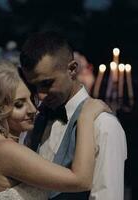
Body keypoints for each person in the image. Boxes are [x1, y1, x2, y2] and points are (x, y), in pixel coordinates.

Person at [0, 61, 111, 200]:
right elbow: (81, 180)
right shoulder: (3, 150)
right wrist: (86, 117)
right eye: (19, 104)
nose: (33, 109)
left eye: (31, 99)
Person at [19, 32, 127, 199]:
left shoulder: (103, 124)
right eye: (33, 87)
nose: (40, 96)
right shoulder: (35, 120)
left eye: (47, 83)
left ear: (72, 69)